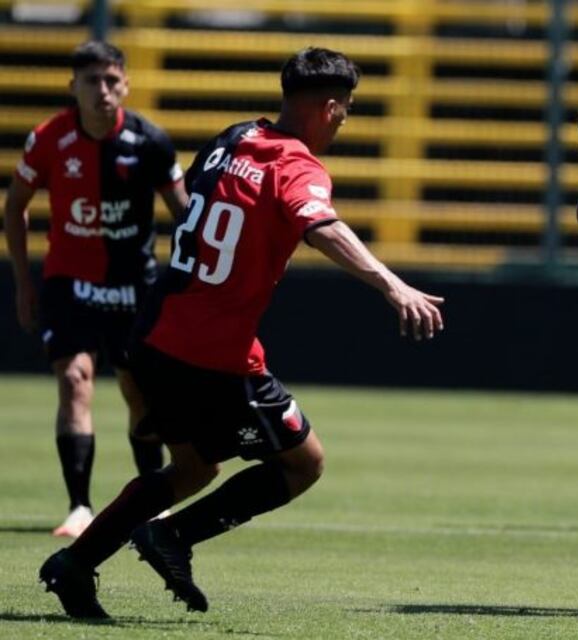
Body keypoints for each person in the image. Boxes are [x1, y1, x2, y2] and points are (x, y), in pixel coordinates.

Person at [37, 46, 445, 619]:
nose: (343, 121)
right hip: (215, 355)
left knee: (192, 468)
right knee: (304, 463)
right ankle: (172, 538)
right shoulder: (297, 165)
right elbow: (322, 226)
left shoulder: (231, 138)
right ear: (329, 108)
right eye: (346, 111)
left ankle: (75, 564)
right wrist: (392, 285)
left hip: (157, 334)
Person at [4, 41, 188, 539]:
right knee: (74, 380)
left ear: (125, 84)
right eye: (92, 81)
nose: (103, 91)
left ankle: (151, 501)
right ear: (74, 88)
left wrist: (184, 287)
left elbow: (186, 217)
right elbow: (14, 207)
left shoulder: (150, 141)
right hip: (69, 283)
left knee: (138, 394)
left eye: (111, 81)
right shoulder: (47, 139)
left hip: (134, 287)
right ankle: (80, 506)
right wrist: (24, 281)